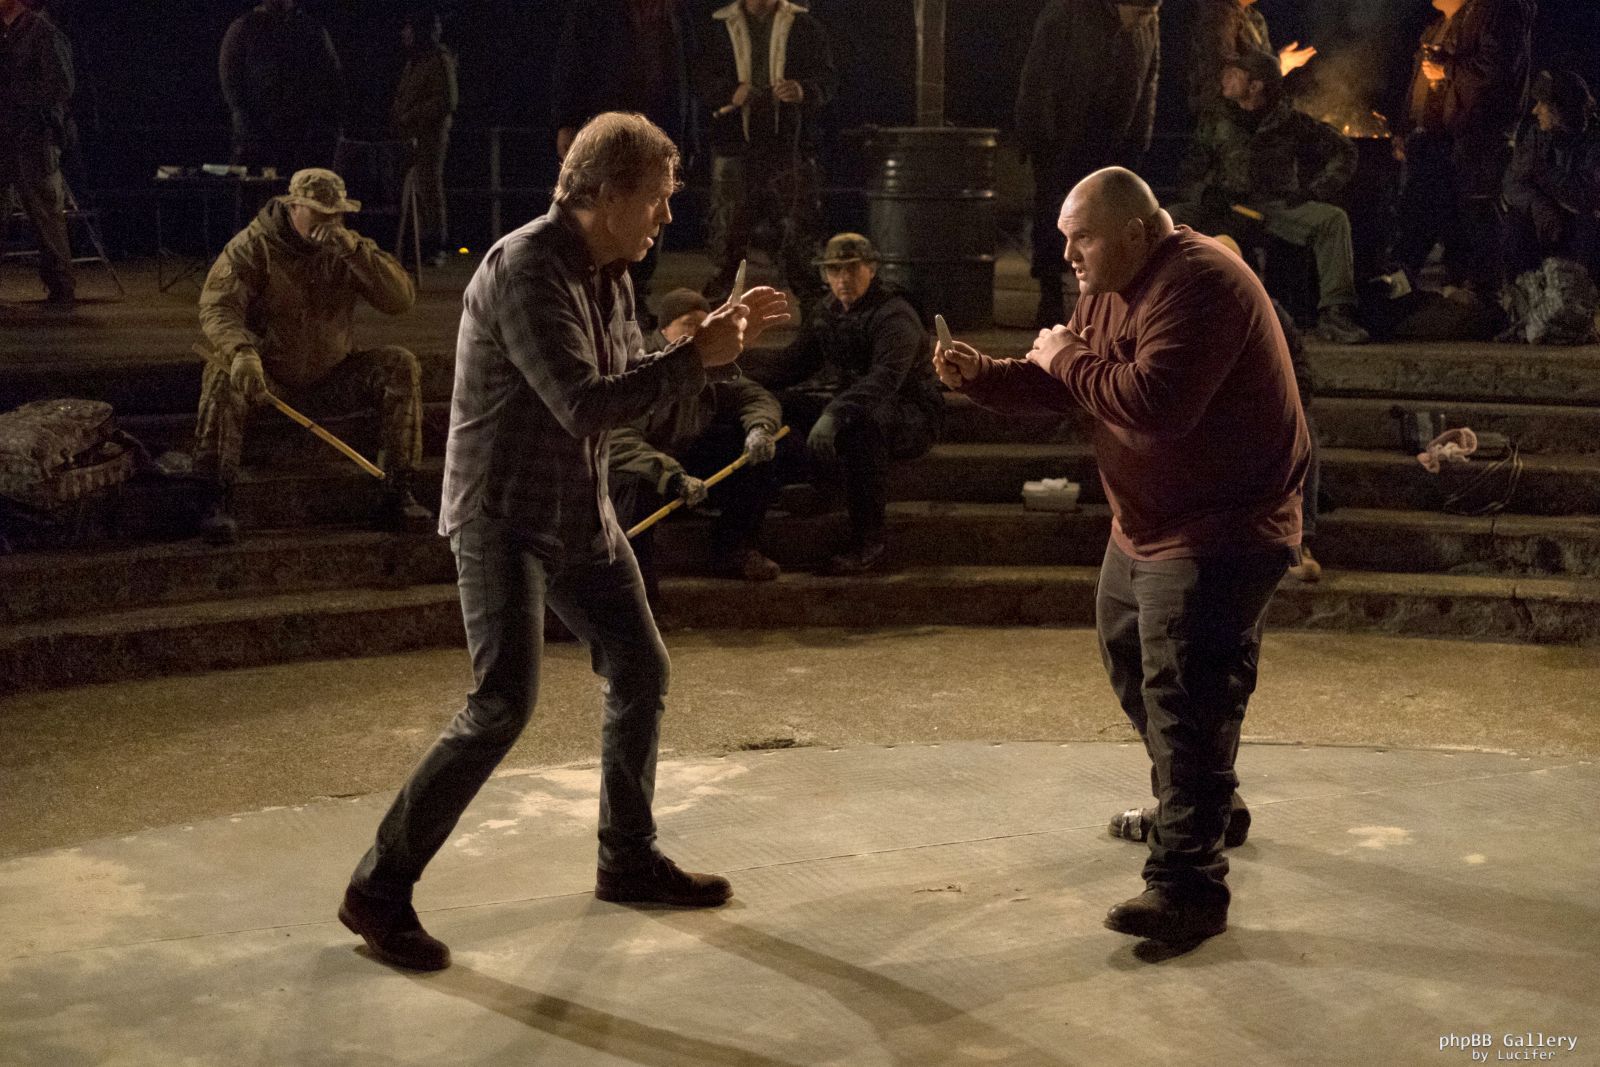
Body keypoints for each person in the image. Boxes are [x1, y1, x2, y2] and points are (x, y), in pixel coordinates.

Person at [338, 113, 791, 971]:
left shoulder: (611, 274)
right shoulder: (524, 269)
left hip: (579, 510)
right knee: (502, 702)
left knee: (641, 668)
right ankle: (378, 888)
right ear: (607, 193)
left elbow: (631, 382)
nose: (667, 216)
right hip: (502, 515)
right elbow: (583, 402)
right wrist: (695, 356)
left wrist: (705, 347)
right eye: (656, 198)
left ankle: (627, 857)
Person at [934, 167, 1310, 946]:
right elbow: (1075, 381)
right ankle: (1204, 807)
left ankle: (1187, 886)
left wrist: (1066, 355)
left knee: (1186, 699)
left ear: (1135, 233)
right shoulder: (1111, 284)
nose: (1066, 255)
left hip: (1220, 531)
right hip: (1143, 526)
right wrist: (986, 377)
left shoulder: (1200, 284)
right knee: (1132, 659)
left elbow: (1155, 406)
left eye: (1081, 239)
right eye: (1064, 239)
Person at [193, 168, 431, 544]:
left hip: (332, 374)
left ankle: (398, 491)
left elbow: (400, 300)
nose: (330, 224)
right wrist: (241, 351)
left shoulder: (348, 249)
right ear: (294, 207)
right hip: (269, 382)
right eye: (321, 214)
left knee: (399, 364)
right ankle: (214, 498)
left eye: (337, 215)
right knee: (222, 373)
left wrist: (354, 253)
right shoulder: (253, 246)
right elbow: (218, 307)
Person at [763, 233, 943, 575]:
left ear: (871, 269)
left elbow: (886, 379)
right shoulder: (827, 311)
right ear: (825, 274)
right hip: (853, 403)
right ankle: (810, 486)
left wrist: (835, 413)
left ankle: (868, 540)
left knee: (862, 427)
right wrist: (744, 384)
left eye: (852, 269)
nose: (843, 278)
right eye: (835, 270)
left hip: (911, 411)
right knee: (781, 406)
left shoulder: (894, 315)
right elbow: (794, 364)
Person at [1172, 49, 1369, 344]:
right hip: (1225, 206)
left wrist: (1315, 190)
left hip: (1276, 208)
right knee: (1171, 218)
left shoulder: (1291, 122)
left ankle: (1336, 313)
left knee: (1332, 220)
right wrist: (1204, 193)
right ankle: (1173, 310)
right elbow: (1190, 168)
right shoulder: (1217, 120)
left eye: (1234, 75)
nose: (1224, 79)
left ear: (1255, 86)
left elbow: (1344, 150)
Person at [610, 287, 786, 594]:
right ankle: (638, 588)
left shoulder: (707, 361)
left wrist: (760, 429)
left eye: (703, 326)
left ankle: (734, 549)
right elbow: (619, 438)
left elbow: (754, 396)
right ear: (664, 329)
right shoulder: (642, 364)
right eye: (689, 324)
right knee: (638, 484)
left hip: (684, 465)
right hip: (643, 471)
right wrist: (671, 476)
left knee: (754, 455)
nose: (698, 334)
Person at [1014, 0, 1160, 329]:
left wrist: (1139, 139)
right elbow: (1037, 77)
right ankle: (1050, 293)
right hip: (1063, 136)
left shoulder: (1147, 21)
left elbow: (1149, 80)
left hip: (1111, 139)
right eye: (1138, 14)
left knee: (1106, 222)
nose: (1142, 21)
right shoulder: (1068, 12)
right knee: (1055, 216)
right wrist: (1038, 136)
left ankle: (1100, 303)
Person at [552, 0, 695, 324]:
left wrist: (688, 134)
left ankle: (634, 296)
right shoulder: (596, 9)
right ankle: (600, 293)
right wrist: (567, 121)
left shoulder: (671, 11)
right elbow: (573, 63)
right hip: (608, 127)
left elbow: (684, 76)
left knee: (652, 210)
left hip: (658, 126)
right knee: (603, 207)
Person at [697, 0, 837, 309]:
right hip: (734, 145)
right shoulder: (718, 28)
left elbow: (828, 80)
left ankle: (816, 316)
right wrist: (730, 93)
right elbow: (699, 78)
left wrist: (802, 90)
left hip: (790, 147)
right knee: (727, 235)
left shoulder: (805, 26)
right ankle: (720, 314)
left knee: (799, 234)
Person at [1391, 0, 1535, 296]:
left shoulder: (1500, 10)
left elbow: (1497, 68)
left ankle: (1481, 292)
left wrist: (1446, 69)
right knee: (1439, 206)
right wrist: (1407, 127)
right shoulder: (1456, 20)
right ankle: (1435, 282)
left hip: (1480, 133)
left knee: (1476, 208)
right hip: (1449, 133)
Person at [0, 0, 76, 305]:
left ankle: (61, 287)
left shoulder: (43, 32)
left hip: (34, 138)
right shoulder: (6, 33)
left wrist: (15, 95)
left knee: (45, 214)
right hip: (5, 136)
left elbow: (61, 85)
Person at [220, 0, 344, 174]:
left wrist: (323, 128)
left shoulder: (311, 30)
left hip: (303, 138)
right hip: (258, 136)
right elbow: (232, 84)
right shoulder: (245, 28)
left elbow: (332, 82)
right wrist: (247, 126)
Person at [1502, 70, 1600, 278]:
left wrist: (1543, 171)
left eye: (1542, 104)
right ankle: (1520, 287)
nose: (1535, 110)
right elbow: (1512, 181)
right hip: (1545, 218)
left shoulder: (1593, 142)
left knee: (1588, 230)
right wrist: (1537, 205)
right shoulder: (1538, 134)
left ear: (1559, 109)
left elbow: (1586, 196)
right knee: (1515, 223)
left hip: (1577, 227)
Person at [390, 8, 458, 267]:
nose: (403, 34)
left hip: (429, 137)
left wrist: (412, 115)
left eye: (408, 29)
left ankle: (435, 244)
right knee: (417, 190)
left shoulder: (438, 60)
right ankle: (418, 244)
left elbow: (447, 100)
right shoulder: (415, 61)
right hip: (410, 137)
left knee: (429, 187)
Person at [1188, 0, 1316, 116]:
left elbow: (1260, 77)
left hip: (1252, 116)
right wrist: (1276, 65)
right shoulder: (1215, 17)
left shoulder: (1254, 17)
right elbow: (1226, 77)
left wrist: (1280, 65)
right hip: (1226, 119)